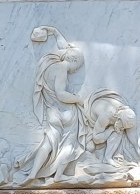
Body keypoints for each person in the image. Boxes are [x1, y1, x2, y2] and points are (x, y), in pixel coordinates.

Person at [14, 27, 87, 185]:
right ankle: (58, 175)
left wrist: (54, 31)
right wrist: (77, 99)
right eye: (78, 66)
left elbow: (65, 48)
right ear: (73, 61)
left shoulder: (48, 65)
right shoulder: (61, 68)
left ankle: (33, 173)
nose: (75, 70)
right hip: (65, 112)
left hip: (52, 111)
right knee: (70, 144)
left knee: (48, 142)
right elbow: (61, 94)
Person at [85, 89, 140, 173]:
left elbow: (137, 144)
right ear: (118, 119)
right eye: (122, 126)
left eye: (124, 128)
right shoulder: (106, 116)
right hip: (92, 119)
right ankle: (106, 157)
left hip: (106, 124)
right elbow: (96, 138)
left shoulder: (129, 118)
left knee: (118, 132)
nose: (122, 129)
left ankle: (107, 157)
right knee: (90, 147)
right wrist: (110, 130)